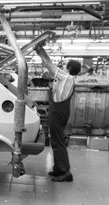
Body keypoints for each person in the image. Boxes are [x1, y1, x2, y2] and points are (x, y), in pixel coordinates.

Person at [35, 43, 80, 182]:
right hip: (60, 111)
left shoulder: (66, 77)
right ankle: (58, 168)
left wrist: (40, 50)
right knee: (55, 140)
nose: (63, 66)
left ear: (69, 68)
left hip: (58, 112)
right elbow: (49, 67)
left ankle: (65, 172)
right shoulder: (68, 79)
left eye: (66, 65)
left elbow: (49, 64)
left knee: (58, 141)